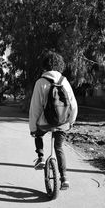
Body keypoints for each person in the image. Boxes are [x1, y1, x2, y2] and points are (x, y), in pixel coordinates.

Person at [29, 50, 78, 189]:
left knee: (37, 133)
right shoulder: (65, 81)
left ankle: (41, 157)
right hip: (63, 123)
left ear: (44, 65)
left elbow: (35, 108)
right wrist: (71, 121)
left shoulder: (40, 82)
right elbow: (73, 104)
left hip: (45, 123)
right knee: (59, 147)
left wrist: (33, 128)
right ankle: (64, 178)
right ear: (60, 65)